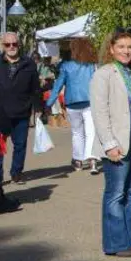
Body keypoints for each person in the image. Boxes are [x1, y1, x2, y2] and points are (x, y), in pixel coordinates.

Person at [91, 29, 131, 257]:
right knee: (116, 193)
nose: (126, 51)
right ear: (111, 49)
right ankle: (116, 244)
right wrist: (108, 143)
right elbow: (100, 111)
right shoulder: (104, 74)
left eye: (130, 47)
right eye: (122, 46)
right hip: (117, 140)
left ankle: (129, 240)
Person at [48, 38, 100, 173]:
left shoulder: (66, 65)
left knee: (77, 133)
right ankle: (93, 160)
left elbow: (58, 85)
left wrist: (49, 103)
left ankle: (78, 161)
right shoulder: (91, 65)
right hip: (89, 101)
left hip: (72, 103)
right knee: (91, 131)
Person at [0, 32, 40, 186]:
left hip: (22, 111)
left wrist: (38, 107)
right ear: (3, 46)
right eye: (8, 44)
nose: (11, 47)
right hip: (0, 112)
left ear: (19, 45)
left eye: (14, 44)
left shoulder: (29, 64)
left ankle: (16, 173)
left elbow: (35, 88)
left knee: (20, 145)